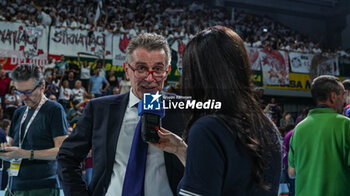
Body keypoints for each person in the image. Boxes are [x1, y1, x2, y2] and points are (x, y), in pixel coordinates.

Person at [152, 26, 281, 195]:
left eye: (185, 70)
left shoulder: (207, 129)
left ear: (198, 74)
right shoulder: (267, 126)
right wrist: (183, 151)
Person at [57, 33, 185, 196]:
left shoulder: (183, 110)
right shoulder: (99, 109)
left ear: (166, 72)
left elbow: (201, 165)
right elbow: (67, 157)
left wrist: (181, 149)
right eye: (141, 68)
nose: (149, 77)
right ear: (127, 70)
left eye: (158, 69)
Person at [0, 64, 68, 196]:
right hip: (13, 185)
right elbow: (13, 145)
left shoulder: (54, 110)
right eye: (19, 92)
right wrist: (6, 150)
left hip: (41, 187)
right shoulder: (19, 112)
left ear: (42, 86)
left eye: (28, 92)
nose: (23, 97)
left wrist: (24, 154)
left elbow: (61, 151)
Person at [288, 75, 350, 195]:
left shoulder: (298, 129)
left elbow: (292, 172)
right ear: (333, 97)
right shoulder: (346, 125)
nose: (344, 100)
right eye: (343, 95)